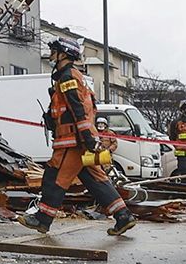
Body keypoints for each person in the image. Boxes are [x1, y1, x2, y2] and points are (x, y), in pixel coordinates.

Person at [22, 37, 136, 235]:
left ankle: (42, 219)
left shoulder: (67, 78)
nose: (51, 56)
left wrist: (86, 137)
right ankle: (123, 215)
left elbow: (78, 109)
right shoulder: (75, 76)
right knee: (96, 180)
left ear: (64, 54)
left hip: (72, 141)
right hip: (81, 140)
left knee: (54, 176)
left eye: (54, 52)